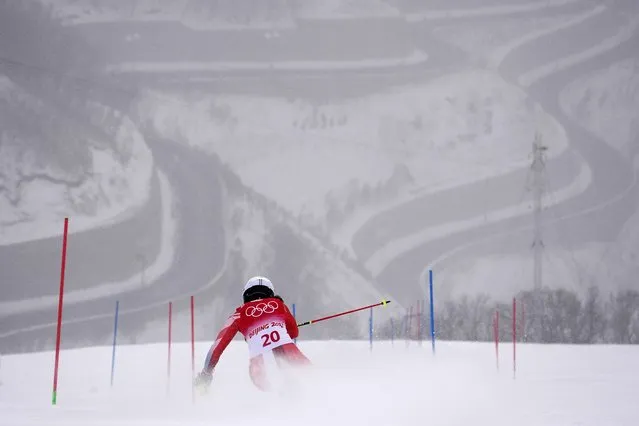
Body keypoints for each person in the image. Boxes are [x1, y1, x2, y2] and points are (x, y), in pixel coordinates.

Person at [194, 276, 311, 393]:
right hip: (295, 359)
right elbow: (294, 332)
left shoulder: (238, 315)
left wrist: (206, 373)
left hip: (260, 372)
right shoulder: (279, 305)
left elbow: (217, 346)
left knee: (271, 402)